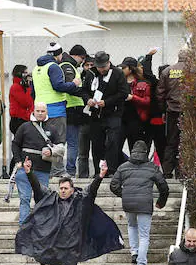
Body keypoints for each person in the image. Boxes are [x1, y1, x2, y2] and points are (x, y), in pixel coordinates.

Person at [15, 160, 123, 265]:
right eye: (61, 188)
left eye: (66, 188)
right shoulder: (50, 198)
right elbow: (38, 188)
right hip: (52, 249)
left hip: (71, 249)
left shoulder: (79, 201)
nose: (63, 191)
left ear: (72, 189)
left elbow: (91, 191)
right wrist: (30, 173)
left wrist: (100, 176)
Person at [109, 140, 169, 265]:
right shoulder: (152, 167)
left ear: (132, 152)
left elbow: (113, 185)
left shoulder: (123, 167)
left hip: (129, 203)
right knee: (144, 235)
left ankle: (134, 252)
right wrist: (161, 202)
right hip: (144, 204)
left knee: (131, 226)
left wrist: (124, 194)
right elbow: (163, 186)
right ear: (146, 153)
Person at [10, 104, 63, 225]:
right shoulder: (24, 127)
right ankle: (23, 227)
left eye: (42, 111)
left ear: (46, 112)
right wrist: (18, 161)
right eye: (38, 111)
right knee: (25, 199)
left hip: (43, 170)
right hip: (24, 170)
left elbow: (60, 147)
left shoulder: (52, 128)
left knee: (42, 200)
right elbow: (15, 144)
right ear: (34, 111)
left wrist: (51, 151)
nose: (40, 113)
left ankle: (41, 227)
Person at [34, 42, 81, 177]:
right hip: (55, 110)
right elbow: (58, 86)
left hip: (40, 110)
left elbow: (33, 91)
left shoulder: (37, 68)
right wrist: (73, 84)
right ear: (59, 54)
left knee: (44, 140)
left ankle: (44, 169)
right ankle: (58, 170)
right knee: (58, 141)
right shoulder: (54, 67)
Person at [86, 51, 130, 175]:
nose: (101, 70)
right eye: (99, 67)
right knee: (96, 143)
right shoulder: (91, 74)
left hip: (113, 113)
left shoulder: (118, 73)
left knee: (112, 142)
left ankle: (111, 169)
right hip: (95, 114)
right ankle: (98, 170)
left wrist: (107, 102)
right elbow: (84, 91)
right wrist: (88, 99)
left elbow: (124, 93)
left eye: (104, 67)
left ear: (109, 63)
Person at [158, 48, 188, 178]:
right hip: (189, 113)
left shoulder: (167, 71)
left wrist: (162, 110)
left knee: (171, 142)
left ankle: (167, 172)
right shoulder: (194, 71)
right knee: (186, 143)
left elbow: (160, 94)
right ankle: (183, 172)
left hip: (172, 111)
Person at [60, 45, 89, 176]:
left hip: (70, 107)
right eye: (82, 58)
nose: (82, 61)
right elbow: (70, 87)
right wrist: (85, 95)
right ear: (76, 55)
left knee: (68, 141)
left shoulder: (68, 66)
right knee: (72, 143)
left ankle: (65, 170)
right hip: (72, 108)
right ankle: (70, 171)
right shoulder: (68, 66)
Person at [119, 56, 152, 153]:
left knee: (134, 148)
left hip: (136, 120)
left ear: (130, 68)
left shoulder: (142, 84)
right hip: (120, 119)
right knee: (115, 147)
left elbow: (147, 101)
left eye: (124, 68)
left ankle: (133, 167)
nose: (122, 70)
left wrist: (133, 97)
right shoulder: (120, 82)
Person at [8, 64, 34, 137]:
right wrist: (29, 86)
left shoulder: (21, 86)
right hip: (18, 121)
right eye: (25, 72)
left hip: (23, 119)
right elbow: (27, 102)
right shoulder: (16, 87)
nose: (27, 75)